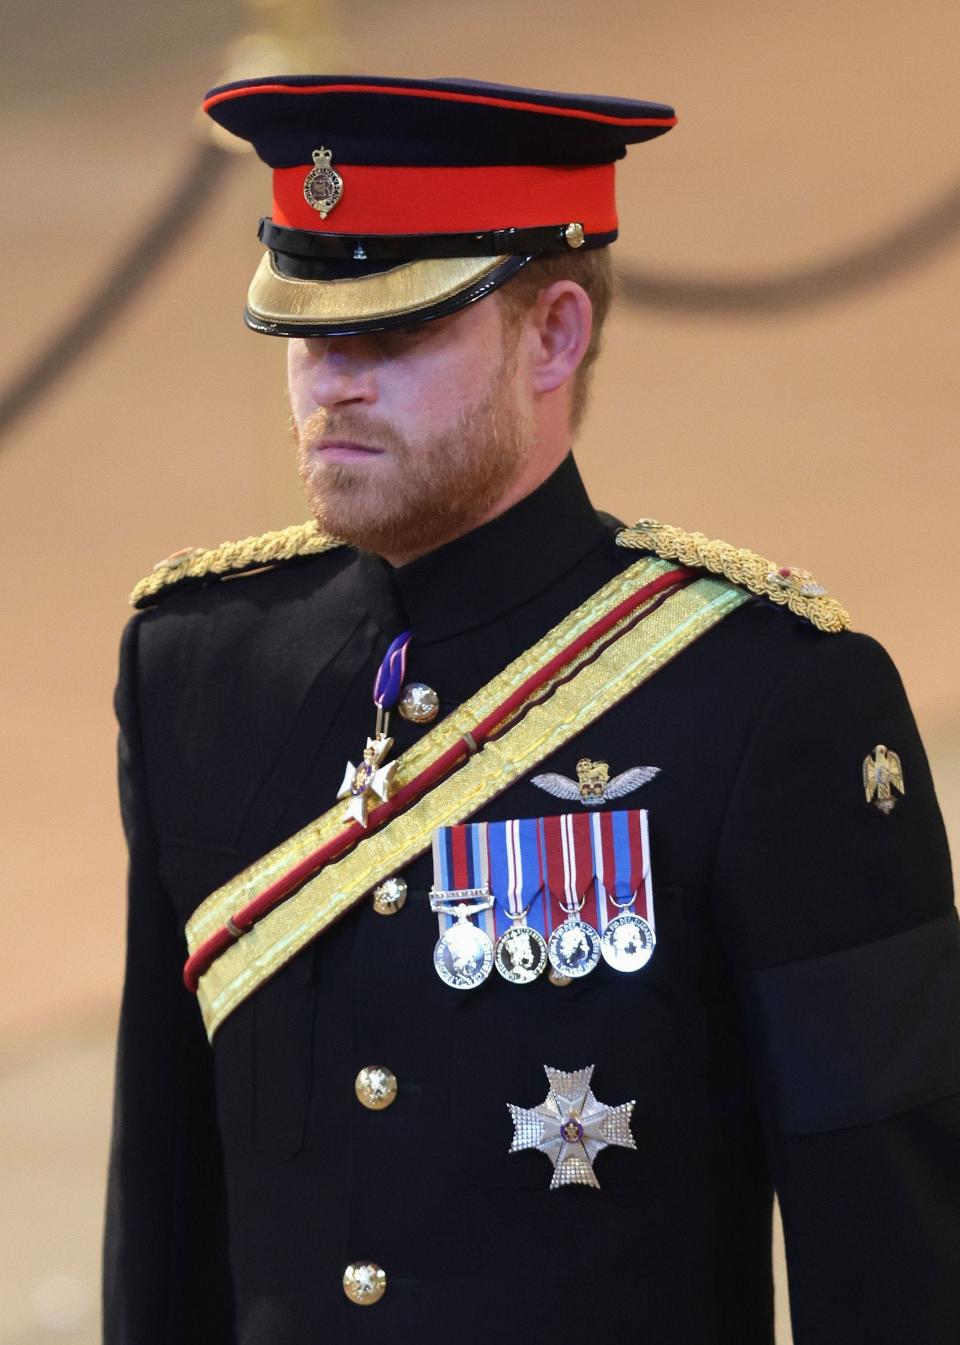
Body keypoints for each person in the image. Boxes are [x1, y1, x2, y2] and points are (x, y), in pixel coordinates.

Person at [104, 75, 959, 1345]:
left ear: (552, 335)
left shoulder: (770, 697)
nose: (331, 384)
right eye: (309, 332)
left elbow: (895, 1260)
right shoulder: (199, 665)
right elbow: (167, 1211)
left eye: (391, 335)